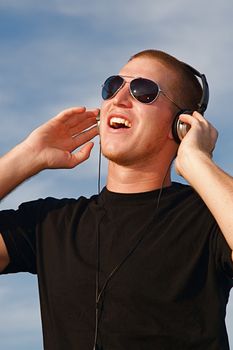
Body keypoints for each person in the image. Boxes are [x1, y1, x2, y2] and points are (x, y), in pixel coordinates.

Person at [0, 49, 232, 350]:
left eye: (143, 91)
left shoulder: (210, 218)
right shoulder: (51, 223)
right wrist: (25, 157)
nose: (119, 99)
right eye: (113, 86)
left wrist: (197, 162)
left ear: (182, 125)